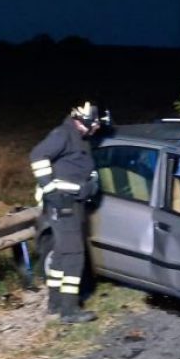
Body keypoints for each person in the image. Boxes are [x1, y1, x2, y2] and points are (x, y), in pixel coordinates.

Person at [29, 102, 106, 324]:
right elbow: (37, 155)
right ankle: (69, 310)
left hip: (73, 202)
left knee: (62, 254)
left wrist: (90, 185)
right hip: (63, 204)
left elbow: (80, 167)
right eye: (95, 123)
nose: (97, 127)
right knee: (74, 256)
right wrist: (50, 188)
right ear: (84, 122)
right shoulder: (63, 134)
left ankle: (55, 303)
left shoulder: (80, 138)